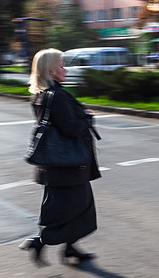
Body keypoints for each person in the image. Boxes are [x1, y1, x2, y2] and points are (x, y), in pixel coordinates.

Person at [18, 48, 101, 266]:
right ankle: (38, 242)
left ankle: (70, 248)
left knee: (75, 208)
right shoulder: (58, 97)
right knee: (68, 209)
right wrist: (87, 119)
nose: (65, 69)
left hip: (56, 166)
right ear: (51, 70)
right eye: (62, 65)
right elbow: (72, 128)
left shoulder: (41, 95)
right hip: (68, 166)